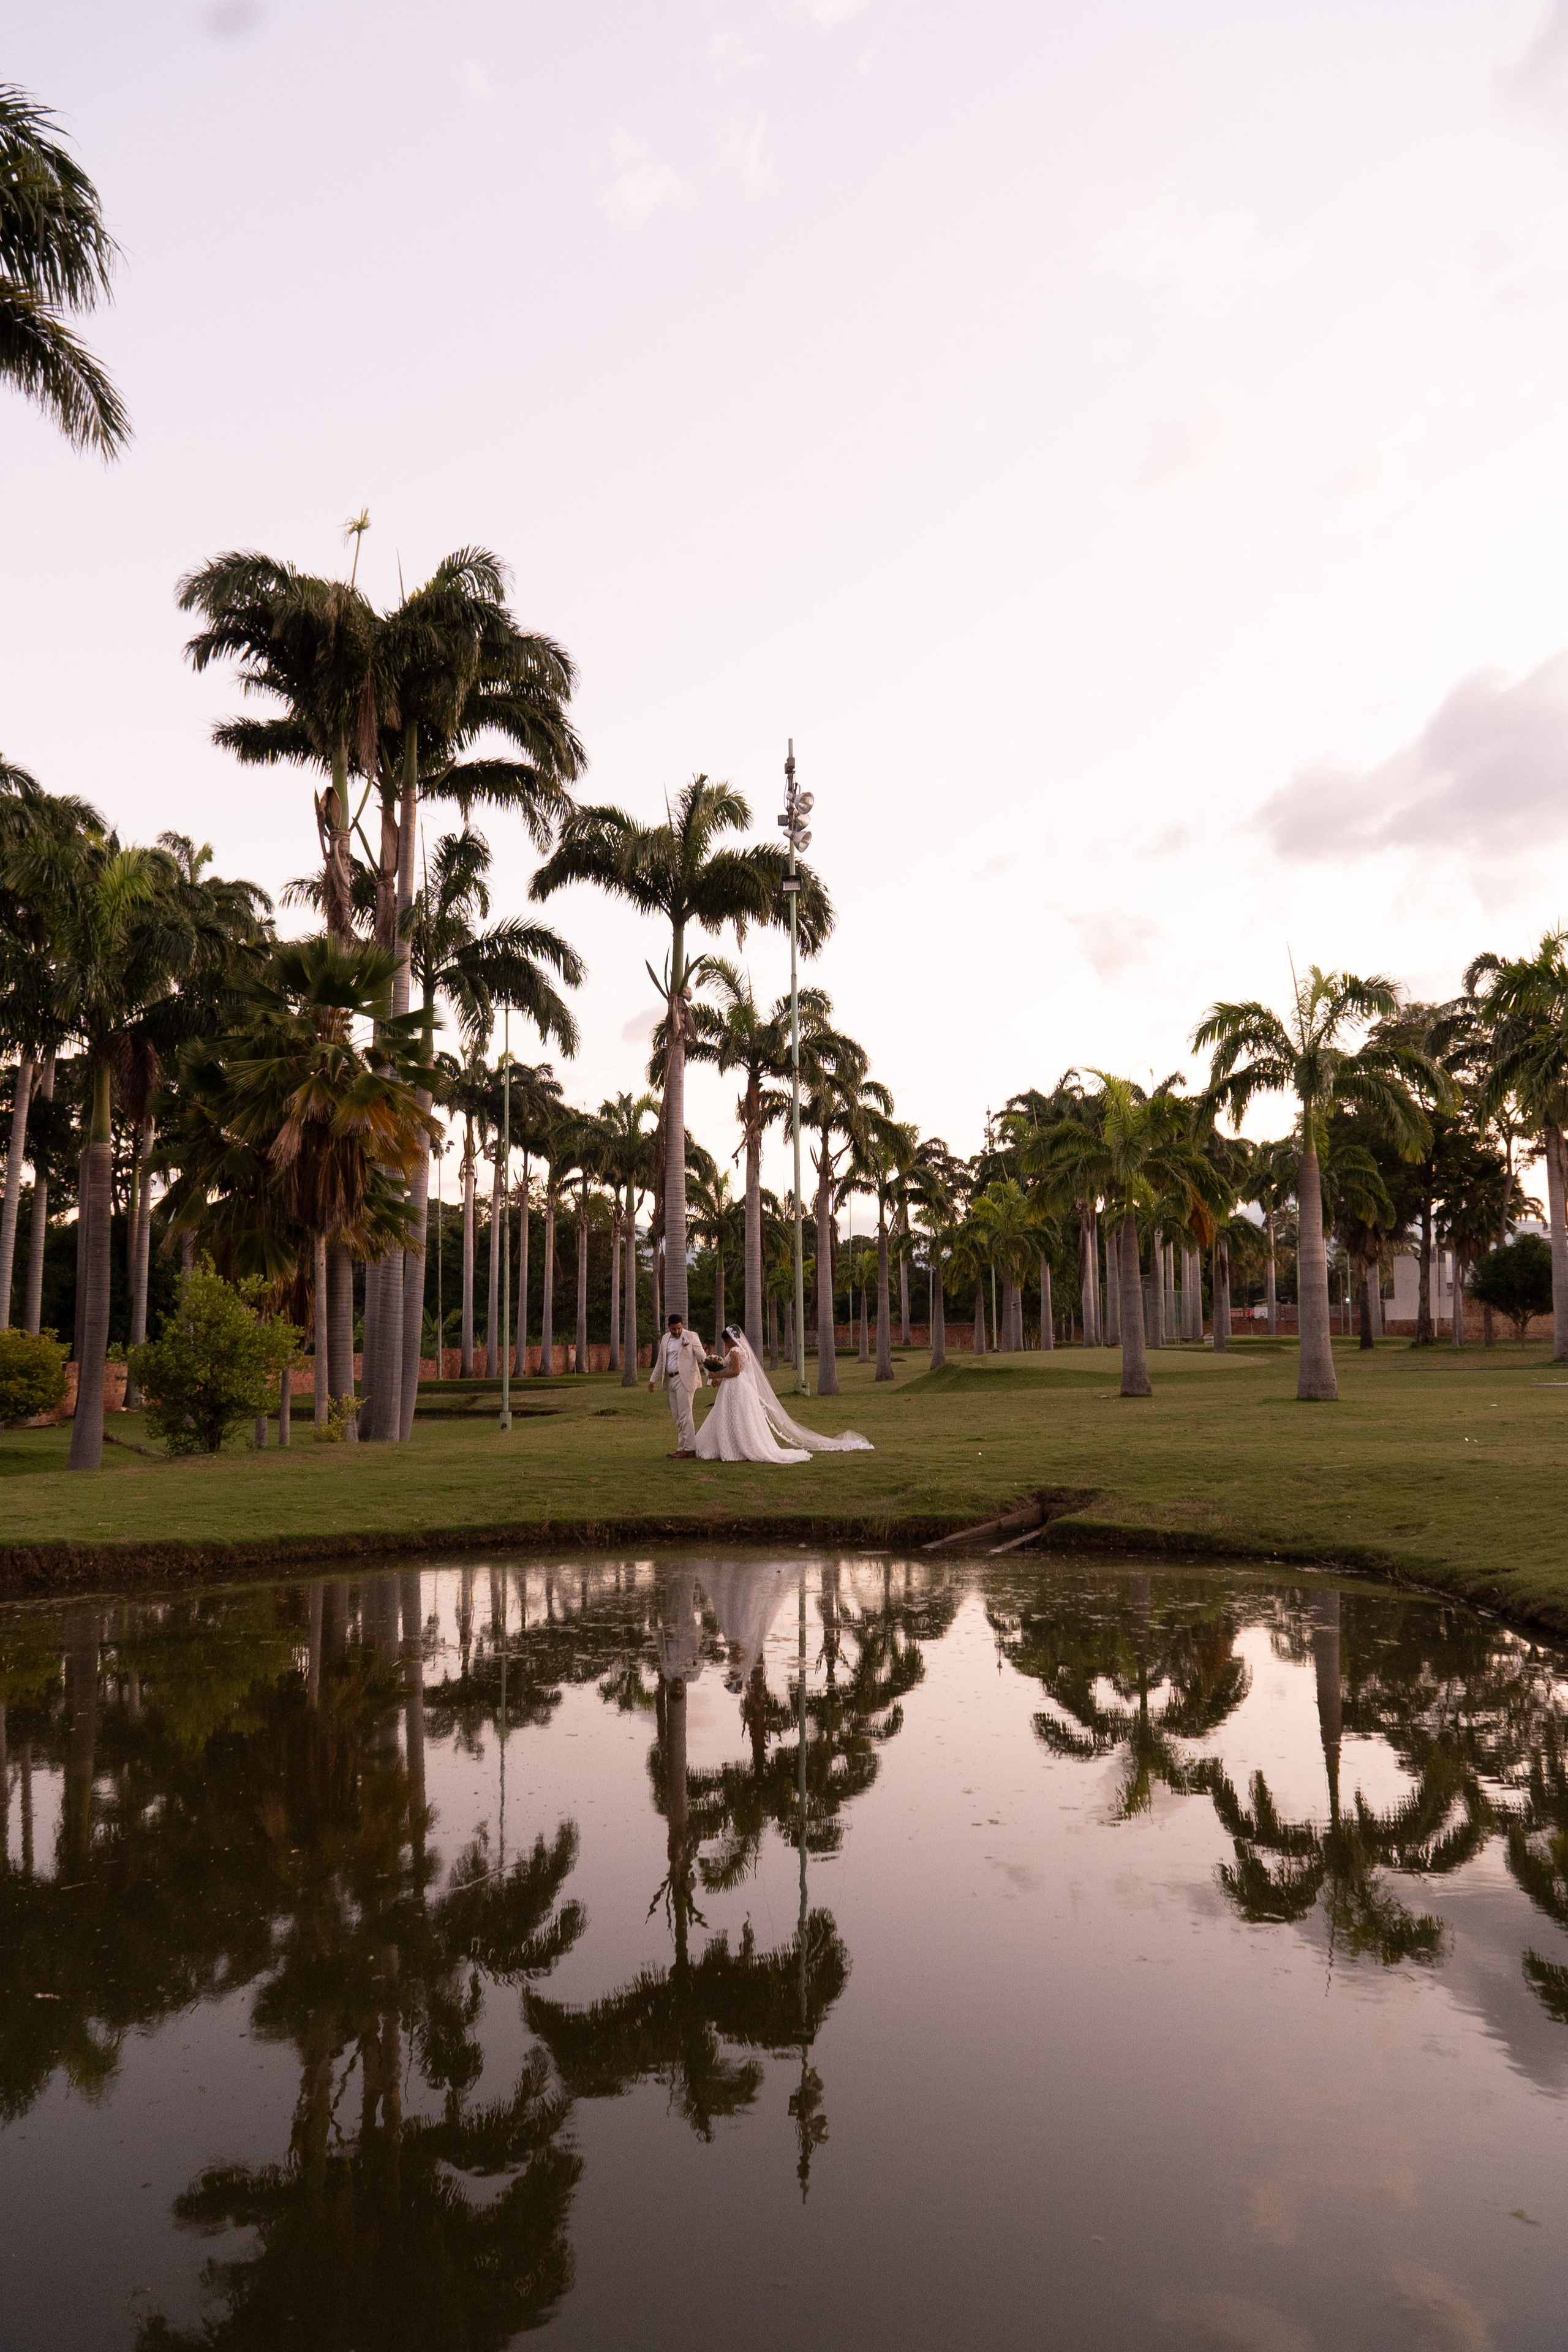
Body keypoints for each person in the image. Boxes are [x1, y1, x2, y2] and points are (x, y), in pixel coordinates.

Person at [695, 1327, 873, 1464]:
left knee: (735, 1416)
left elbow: (736, 1372)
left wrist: (717, 1375)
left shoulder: (735, 1351)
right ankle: (731, 1445)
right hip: (736, 1388)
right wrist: (717, 1370)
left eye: (727, 1342)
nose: (726, 1345)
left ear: (731, 1339)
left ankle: (736, 1448)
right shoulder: (742, 1350)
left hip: (736, 1386)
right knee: (734, 1416)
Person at [649, 1312, 709, 1458]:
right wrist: (653, 1380)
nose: (677, 1332)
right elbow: (661, 1361)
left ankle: (689, 1449)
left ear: (682, 1326)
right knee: (677, 1415)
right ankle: (682, 1447)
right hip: (670, 1379)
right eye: (674, 1329)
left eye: (679, 1329)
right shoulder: (665, 1339)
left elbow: (702, 1357)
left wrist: (711, 1376)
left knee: (685, 1414)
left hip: (685, 1379)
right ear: (669, 1327)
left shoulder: (691, 1336)